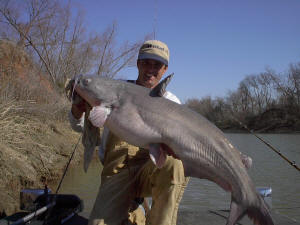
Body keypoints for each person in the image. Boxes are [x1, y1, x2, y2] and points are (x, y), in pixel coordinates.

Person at [69, 40, 189, 225]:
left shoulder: (171, 102)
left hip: (153, 169)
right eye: (146, 62)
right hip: (116, 172)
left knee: (175, 164)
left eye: (157, 65)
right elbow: (81, 127)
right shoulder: (111, 90)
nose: (151, 69)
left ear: (165, 69)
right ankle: (136, 211)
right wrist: (78, 110)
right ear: (138, 63)